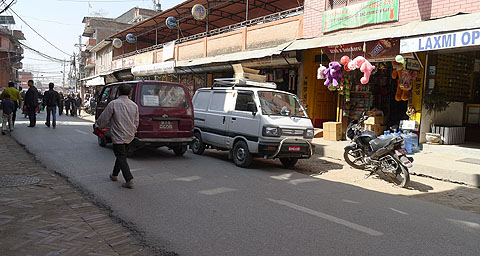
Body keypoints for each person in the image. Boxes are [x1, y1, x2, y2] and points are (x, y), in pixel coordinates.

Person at [95, 84, 138, 189]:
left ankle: (129, 179)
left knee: (121, 156)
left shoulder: (113, 104)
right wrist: (133, 131)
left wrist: (97, 126)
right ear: (129, 93)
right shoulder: (134, 105)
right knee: (121, 156)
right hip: (130, 135)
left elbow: (104, 118)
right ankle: (114, 175)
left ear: (118, 92)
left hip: (118, 135)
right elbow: (136, 122)